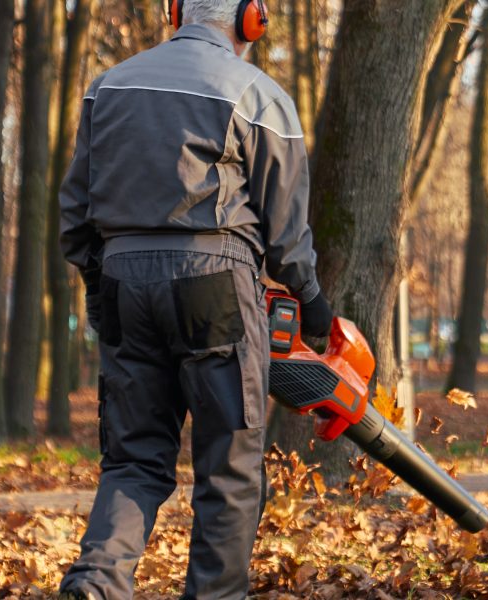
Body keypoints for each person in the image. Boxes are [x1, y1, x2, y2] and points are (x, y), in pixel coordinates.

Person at [56, 1, 332, 598]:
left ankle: (97, 584)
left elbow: (76, 214)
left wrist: (98, 289)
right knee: (229, 464)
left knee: (133, 457)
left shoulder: (107, 87)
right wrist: (310, 298)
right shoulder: (257, 94)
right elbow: (285, 231)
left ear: (176, 12)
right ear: (250, 19)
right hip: (214, 281)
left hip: (123, 278)